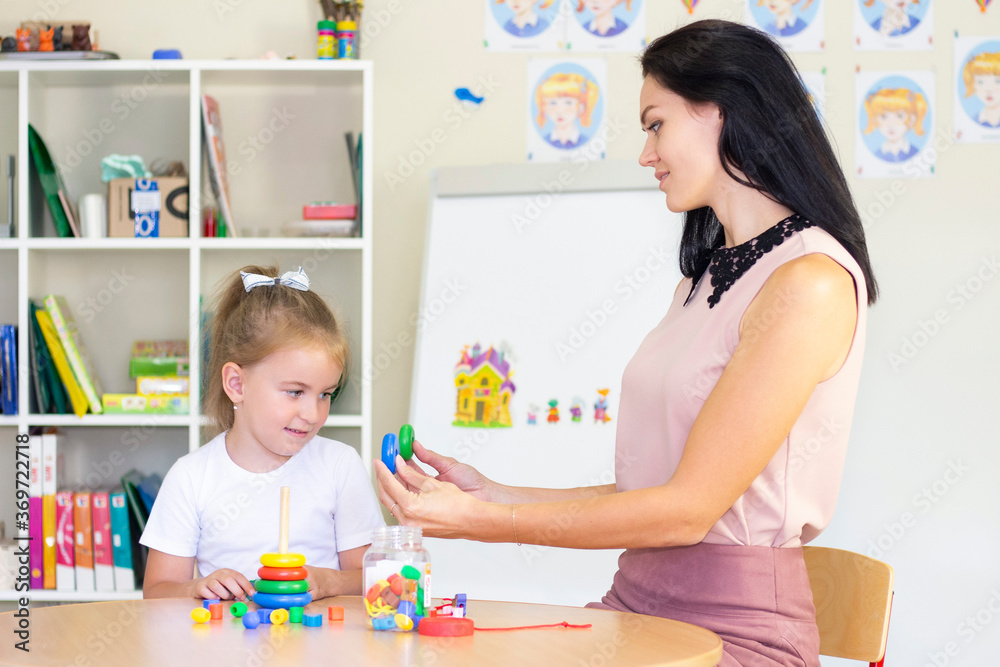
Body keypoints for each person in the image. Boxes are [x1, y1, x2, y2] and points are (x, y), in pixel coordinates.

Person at [377, 19, 878, 666]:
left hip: (739, 636)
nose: (646, 153)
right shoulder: (701, 282)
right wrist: (491, 493)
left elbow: (687, 512)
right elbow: (650, 494)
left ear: (720, 111)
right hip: (639, 606)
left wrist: (486, 525)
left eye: (655, 123)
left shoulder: (809, 282)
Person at [142, 265, 383, 601]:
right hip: (225, 651)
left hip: (326, 652)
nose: (313, 414)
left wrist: (329, 582)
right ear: (237, 384)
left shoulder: (339, 466)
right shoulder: (191, 477)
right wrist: (197, 587)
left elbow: (374, 578)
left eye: (325, 394)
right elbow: (156, 592)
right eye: (295, 392)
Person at [534, 71, 600, 149]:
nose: (560, 111)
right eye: (553, 103)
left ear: (580, 108)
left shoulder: (587, 143)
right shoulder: (541, 143)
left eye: (568, 103)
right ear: (545, 107)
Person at [863, 87, 927, 162]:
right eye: (883, 117)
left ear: (912, 120)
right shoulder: (875, 155)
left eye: (899, 116)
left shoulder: (917, 154)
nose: (891, 124)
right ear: (875, 119)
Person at [962, 50, 1000, 128]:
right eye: (981, 82)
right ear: (972, 84)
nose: (989, 89)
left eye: (997, 81)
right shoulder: (973, 122)